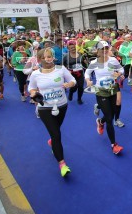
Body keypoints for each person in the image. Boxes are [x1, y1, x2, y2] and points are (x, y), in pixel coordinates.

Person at [28, 48, 76, 177]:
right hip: (45, 108)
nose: (48, 59)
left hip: (62, 105)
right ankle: (62, 164)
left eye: (50, 56)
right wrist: (33, 93)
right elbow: (31, 88)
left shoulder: (61, 69)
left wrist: (69, 84)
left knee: (56, 130)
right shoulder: (35, 74)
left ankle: (52, 142)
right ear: (39, 60)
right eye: (45, 57)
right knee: (56, 135)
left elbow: (73, 80)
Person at [85, 41, 125, 154]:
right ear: (97, 50)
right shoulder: (94, 62)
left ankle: (100, 121)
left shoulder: (113, 60)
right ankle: (114, 145)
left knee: (111, 114)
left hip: (113, 90)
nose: (105, 51)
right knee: (109, 119)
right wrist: (88, 80)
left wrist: (119, 74)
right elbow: (87, 73)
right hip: (101, 92)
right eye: (102, 49)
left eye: (106, 48)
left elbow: (121, 70)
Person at [63, 40, 88, 105]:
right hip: (71, 74)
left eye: (74, 47)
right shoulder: (66, 56)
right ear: (68, 48)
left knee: (80, 86)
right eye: (71, 48)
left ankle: (79, 98)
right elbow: (62, 66)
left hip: (80, 73)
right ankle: (71, 92)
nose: (73, 48)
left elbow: (84, 64)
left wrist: (86, 63)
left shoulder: (80, 54)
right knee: (74, 87)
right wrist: (67, 70)